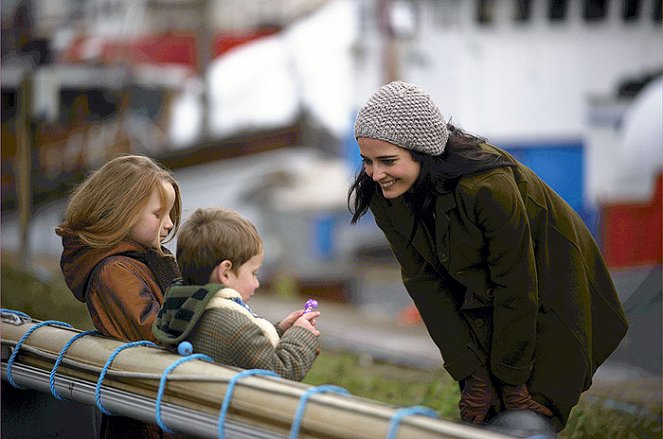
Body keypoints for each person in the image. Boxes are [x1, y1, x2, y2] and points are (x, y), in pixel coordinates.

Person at [348, 81, 628, 433]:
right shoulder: (384, 193)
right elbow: (425, 286)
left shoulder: (487, 186)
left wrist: (512, 382)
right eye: (367, 161)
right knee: (484, 407)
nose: (375, 174)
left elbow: (516, 286)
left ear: (424, 152)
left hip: (552, 283)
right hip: (482, 288)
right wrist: (471, 373)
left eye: (387, 161)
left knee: (533, 407)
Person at [56, 154, 182, 439]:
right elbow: (158, 335)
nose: (170, 225)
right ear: (121, 211)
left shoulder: (140, 262)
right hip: (144, 422)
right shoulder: (114, 272)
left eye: (171, 214)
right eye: (158, 214)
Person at [152, 207, 321, 382]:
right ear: (225, 273)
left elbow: (244, 353)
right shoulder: (232, 325)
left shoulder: (187, 307)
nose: (257, 283)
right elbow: (282, 372)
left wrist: (281, 332)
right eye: (254, 273)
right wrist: (300, 334)